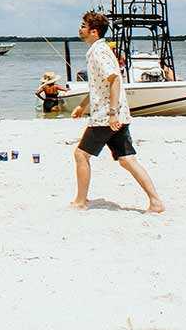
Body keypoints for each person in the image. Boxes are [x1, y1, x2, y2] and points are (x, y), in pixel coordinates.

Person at [70, 11, 165, 214]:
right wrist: (83, 105)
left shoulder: (98, 52)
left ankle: (80, 201)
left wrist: (112, 113)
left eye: (83, 25)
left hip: (107, 116)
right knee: (127, 159)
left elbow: (113, 80)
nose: (80, 28)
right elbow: (100, 85)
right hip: (118, 114)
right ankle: (156, 202)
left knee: (80, 154)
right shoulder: (101, 49)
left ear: (93, 31)